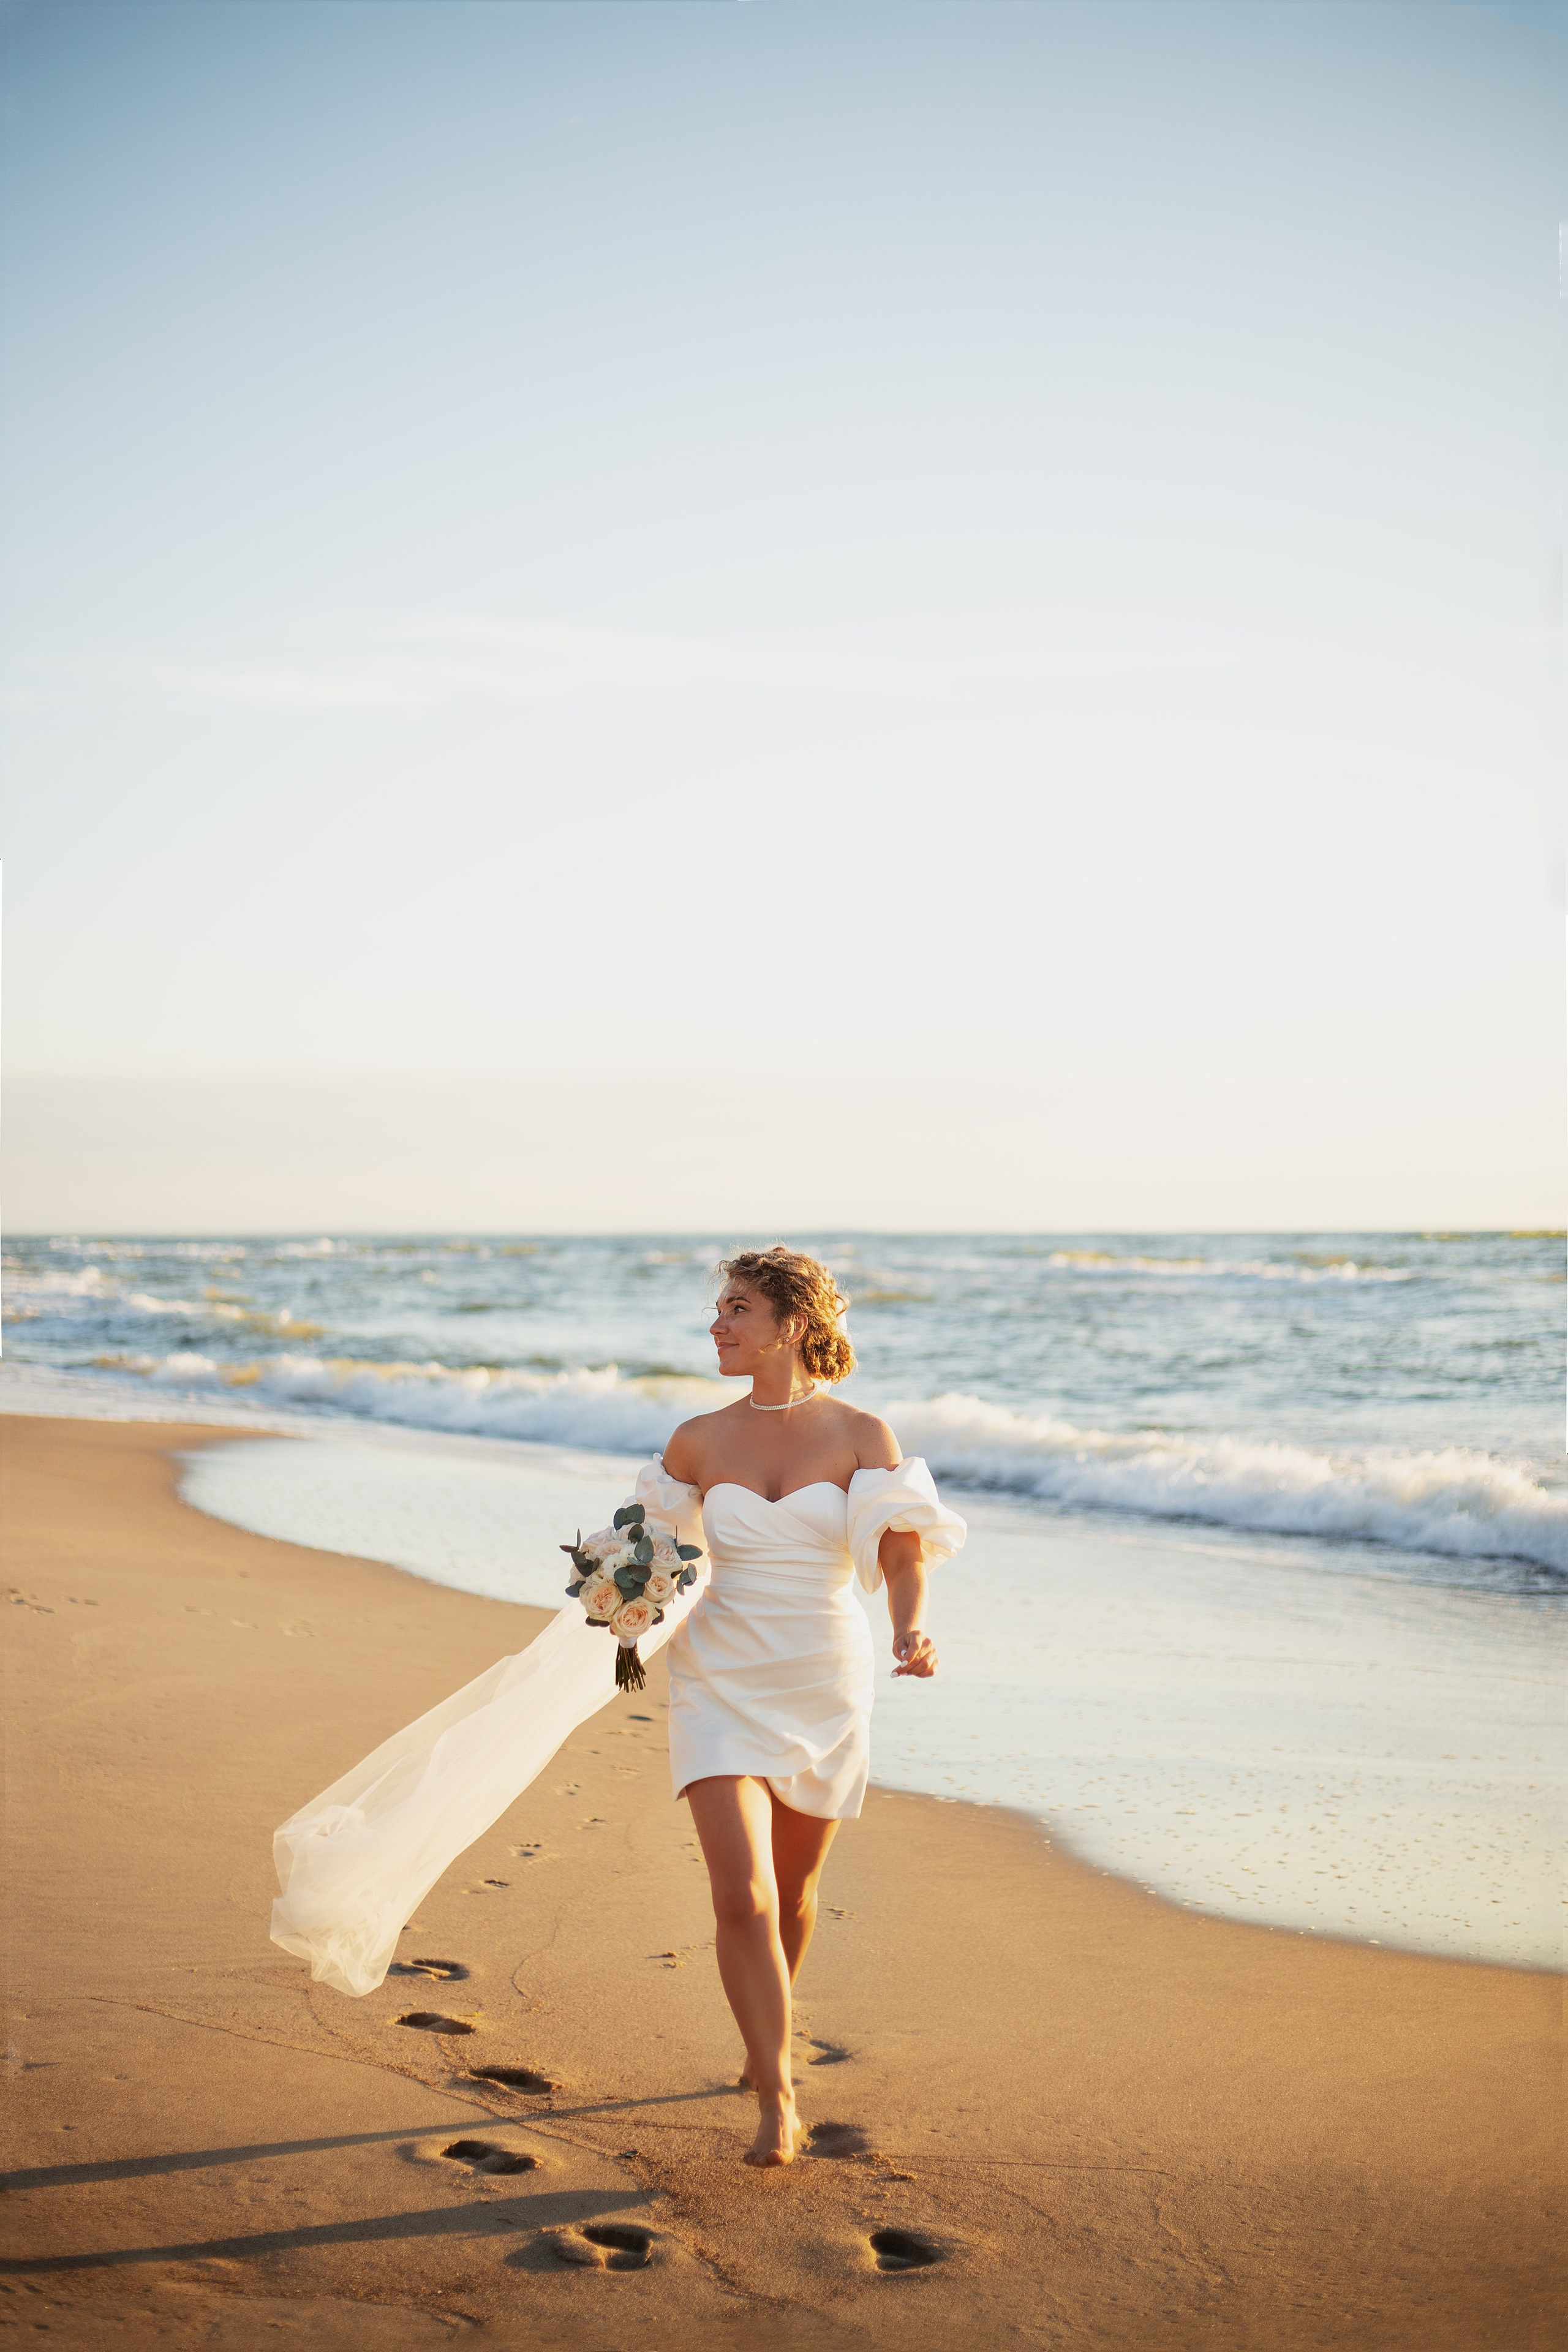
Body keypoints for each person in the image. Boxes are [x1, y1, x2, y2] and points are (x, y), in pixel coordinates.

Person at [637, 1246, 967, 2166]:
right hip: (716, 1675)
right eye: (717, 1307)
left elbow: (901, 1549)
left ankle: (763, 2035)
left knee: (793, 1897)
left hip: (821, 1675)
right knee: (741, 1897)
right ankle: (778, 2096)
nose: (717, 1324)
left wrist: (911, 1629)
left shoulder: (863, 1434)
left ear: (792, 1324)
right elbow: (654, 1560)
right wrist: (621, 1605)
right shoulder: (695, 1442)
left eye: (737, 1308)